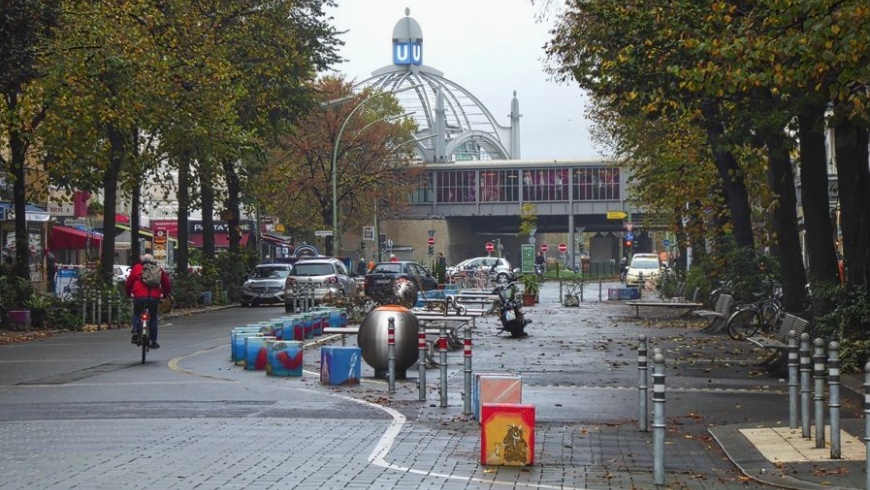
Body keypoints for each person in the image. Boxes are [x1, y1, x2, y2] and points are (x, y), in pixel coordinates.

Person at [125, 253, 171, 349]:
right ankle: (153, 341)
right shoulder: (158, 269)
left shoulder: (137, 268)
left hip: (139, 296)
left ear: (142, 261)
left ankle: (136, 331)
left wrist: (129, 294)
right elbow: (166, 284)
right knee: (153, 317)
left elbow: (129, 282)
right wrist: (164, 295)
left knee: (137, 314)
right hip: (154, 297)